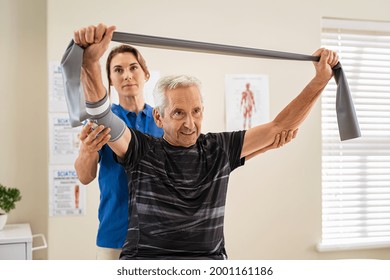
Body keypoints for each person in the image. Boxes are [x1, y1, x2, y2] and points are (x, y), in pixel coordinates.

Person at [72, 23, 338, 259]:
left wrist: (320, 80)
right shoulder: (141, 147)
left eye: (196, 111)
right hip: (128, 244)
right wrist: (90, 62)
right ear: (160, 117)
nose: (190, 124)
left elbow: (280, 126)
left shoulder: (218, 148)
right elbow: (102, 116)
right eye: (178, 113)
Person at [73, 42, 163, 260]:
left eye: (133, 68)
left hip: (161, 236)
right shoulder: (100, 121)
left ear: (146, 74)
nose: (127, 75)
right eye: (118, 70)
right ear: (110, 80)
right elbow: (85, 177)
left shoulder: (163, 120)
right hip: (115, 237)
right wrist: (87, 150)